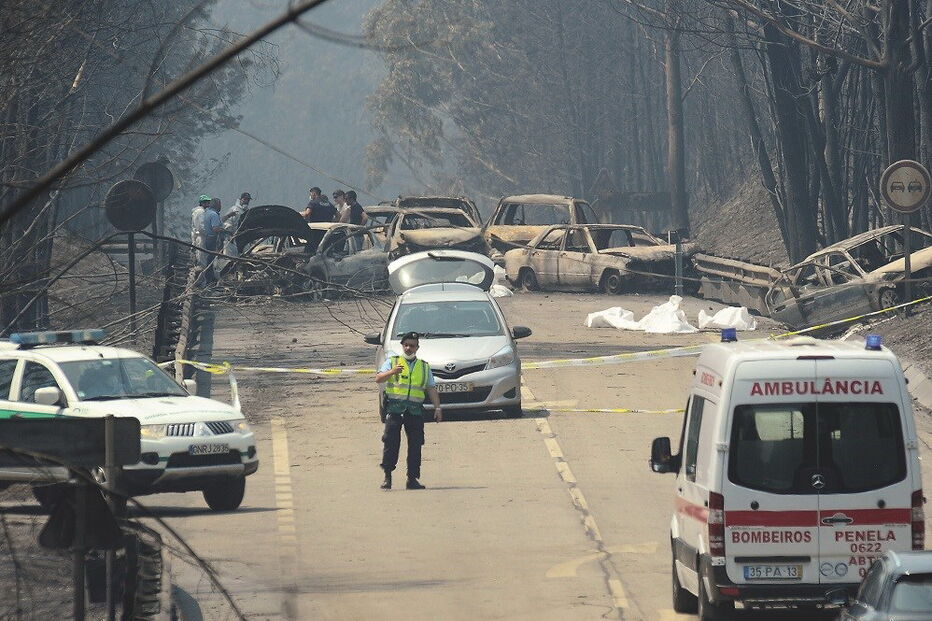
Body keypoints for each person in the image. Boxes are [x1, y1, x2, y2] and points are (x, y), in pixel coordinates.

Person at [375, 331, 442, 490]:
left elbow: (431, 388)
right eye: (406, 345)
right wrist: (392, 372)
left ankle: (412, 479)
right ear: (402, 346)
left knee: (415, 445)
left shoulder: (424, 367)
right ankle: (387, 477)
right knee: (391, 443)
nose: (408, 348)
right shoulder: (392, 362)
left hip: (415, 411)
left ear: (417, 348)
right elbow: (378, 378)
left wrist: (437, 408)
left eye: (412, 346)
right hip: (395, 410)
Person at [198, 197, 223, 285]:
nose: (221, 206)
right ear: (216, 205)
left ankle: (209, 279)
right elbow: (215, 228)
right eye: (220, 204)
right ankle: (211, 280)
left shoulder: (207, 213)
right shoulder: (214, 215)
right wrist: (225, 231)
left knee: (209, 259)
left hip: (207, 238)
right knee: (213, 260)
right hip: (213, 239)